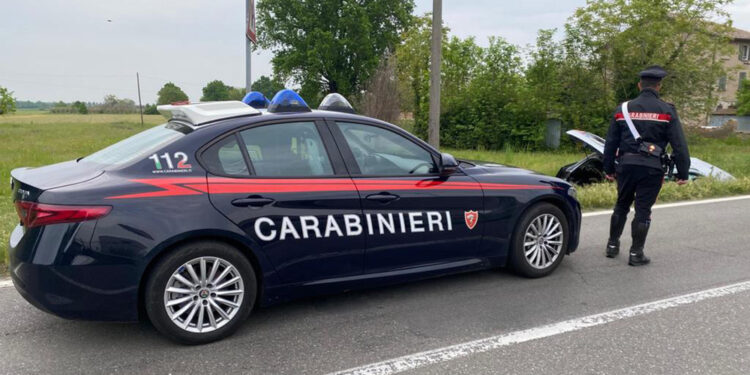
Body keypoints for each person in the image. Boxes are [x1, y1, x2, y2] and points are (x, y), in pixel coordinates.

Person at [602, 65, 690, 266]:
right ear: (659, 86)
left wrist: (608, 169)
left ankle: (612, 246)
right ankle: (636, 254)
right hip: (651, 169)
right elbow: (679, 144)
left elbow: (611, 143)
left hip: (625, 165)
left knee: (621, 204)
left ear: (639, 85)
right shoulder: (667, 111)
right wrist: (682, 172)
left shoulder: (622, 109)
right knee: (643, 210)